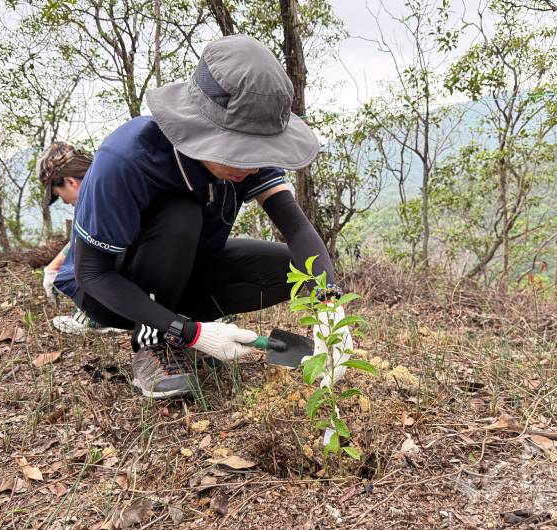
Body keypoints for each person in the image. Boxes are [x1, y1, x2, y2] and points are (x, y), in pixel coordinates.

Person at [70, 35, 353, 399]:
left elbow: (294, 226)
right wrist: (191, 333)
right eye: (240, 153)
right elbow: (92, 272)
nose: (252, 166)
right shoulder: (128, 159)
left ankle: (178, 326)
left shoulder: (248, 162)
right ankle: (154, 345)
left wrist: (330, 303)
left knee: (291, 269)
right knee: (181, 215)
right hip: (115, 290)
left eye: (260, 152)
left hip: (187, 272)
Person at [37, 142, 123, 335]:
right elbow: (82, 236)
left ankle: (100, 317)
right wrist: (54, 265)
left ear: (70, 182)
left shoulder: (102, 199)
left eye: (60, 195)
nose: (65, 202)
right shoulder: (102, 187)